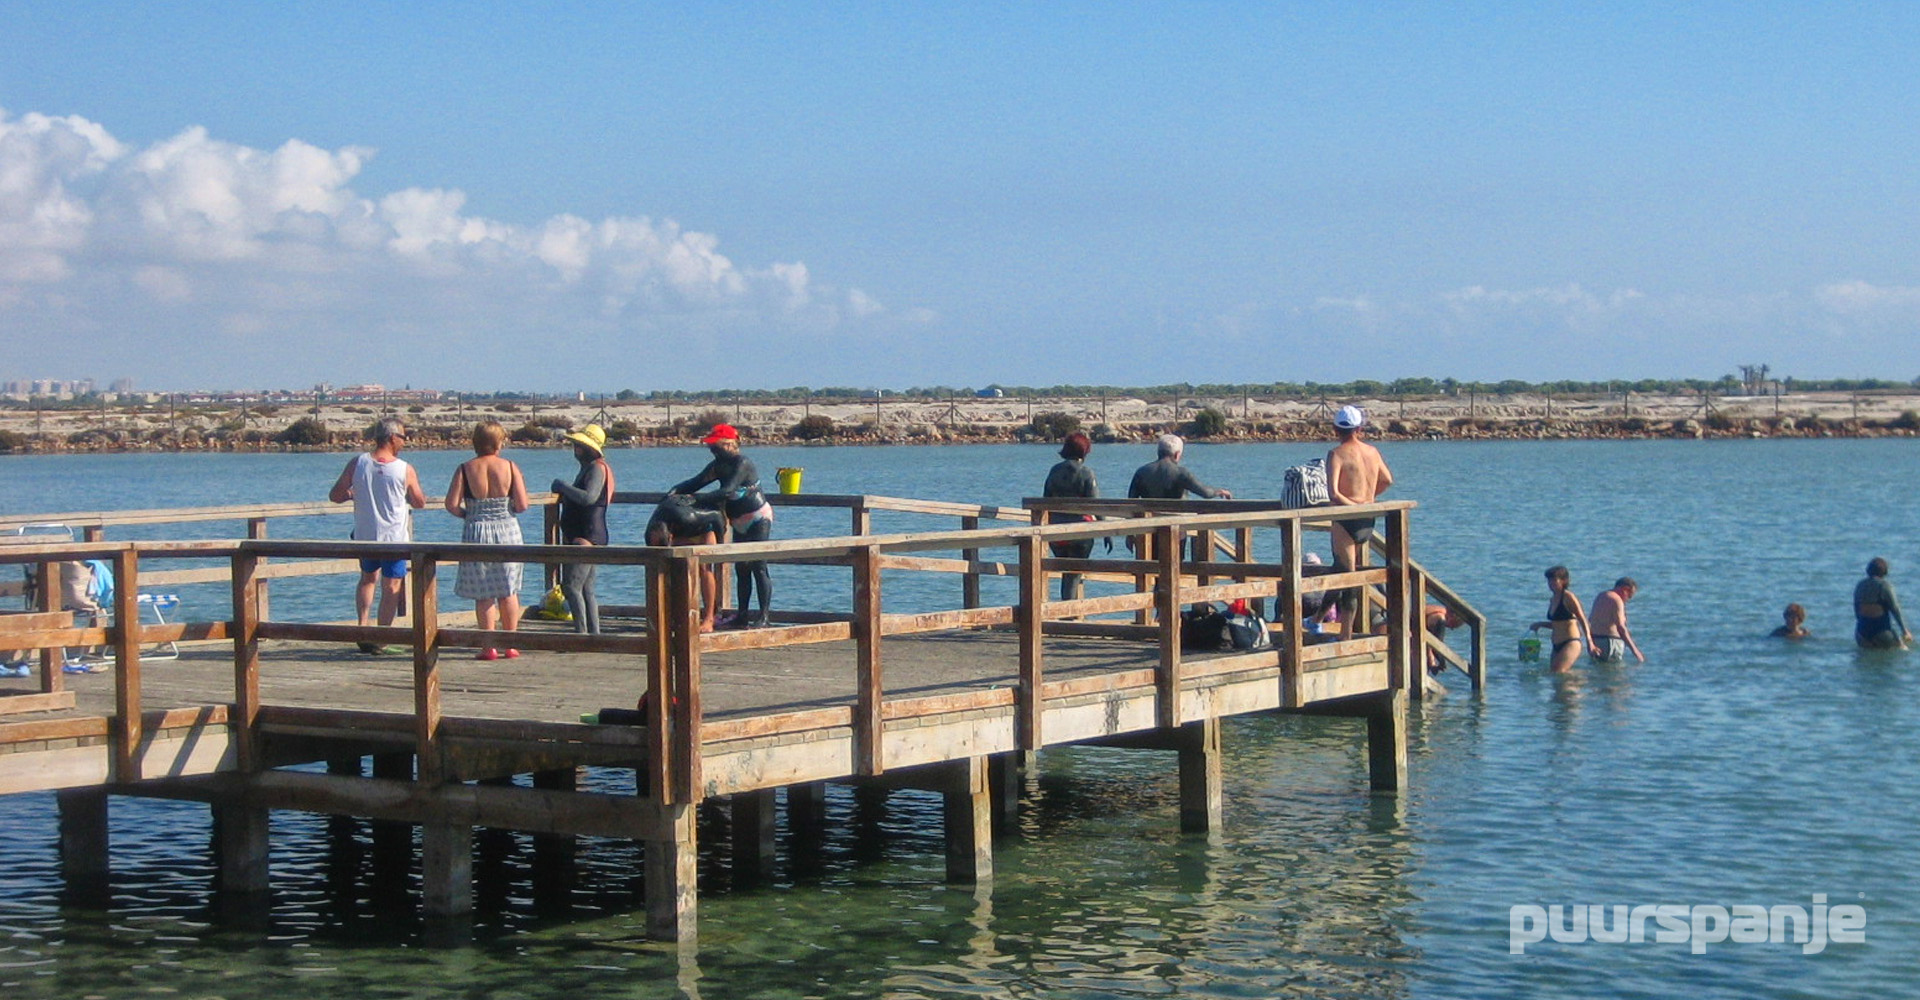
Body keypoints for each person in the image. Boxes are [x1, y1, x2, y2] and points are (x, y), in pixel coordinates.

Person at [329, 418, 426, 654]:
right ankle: (382, 636)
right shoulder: (404, 468)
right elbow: (419, 501)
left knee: (367, 579)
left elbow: (335, 495)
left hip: (365, 535)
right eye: (402, 437)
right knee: (391, 586)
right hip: (393, 537)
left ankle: (363, 628)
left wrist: (353, 494)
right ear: (392, 438)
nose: (404, 441)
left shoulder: (358, 463)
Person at [670, 424, 773, 628]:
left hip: (756, 517)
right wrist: (674, 493)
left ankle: (764, 616)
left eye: (716, 446)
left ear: (729, 444)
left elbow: (727, 491)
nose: (712, 450)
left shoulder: (742, 463)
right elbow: (696, 482)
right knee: (741, 568)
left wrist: (695, 499)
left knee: (758, 565)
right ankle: (742, 614)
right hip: (737, 520)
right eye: (711, 447)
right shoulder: (717, 465)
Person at [445, 421, 529, 661]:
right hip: (507, 529)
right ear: (498, 443)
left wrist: (470, 514)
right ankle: (510, 645)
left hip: (476, 529)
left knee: (484, 593)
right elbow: (522, 505)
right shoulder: (510, 467)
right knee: (508, 590)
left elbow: (451, 504)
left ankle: (488, 646)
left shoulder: (465, 468)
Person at [1325, 405, 1393, 639]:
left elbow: (1333, 493)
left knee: (1347, 576)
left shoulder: (1336, 454)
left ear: (1335, 429)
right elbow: (1387, 480)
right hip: (1368, 516)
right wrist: (1369, 499)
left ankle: (1345, 634)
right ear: (1360, 428)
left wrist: (1351, 505)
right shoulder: (1372, 452)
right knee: (1344, 571)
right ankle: (1317, 618)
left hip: (1346, 518)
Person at [551, 424, 613, 635]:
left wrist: (562, 485)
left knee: (571, 586)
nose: (574, 448)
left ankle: (582, 634)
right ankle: (593, 635)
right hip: (585, 533)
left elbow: (589, 498)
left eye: (578, 445)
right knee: (586, 588)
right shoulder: (589, 468)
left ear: (589, 448)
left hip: (587, 535)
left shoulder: (597, 468)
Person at [645, 494, 724, 632]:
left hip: (706, 524)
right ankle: (674, 615)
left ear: (670, 536)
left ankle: (709, 618)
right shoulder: (651, 530)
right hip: (678, 530)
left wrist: (721, 548)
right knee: (669, 568)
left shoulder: (686, 518)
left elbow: (716, 516)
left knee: (705, 568)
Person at [1043, 431, 1099, 601]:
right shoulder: (1086, 473)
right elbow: (1096, 504)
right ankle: (1070, 615)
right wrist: (1107, 532)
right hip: (1079, 532)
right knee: (1074, 574)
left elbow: (1045, 499)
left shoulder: (1054, 471)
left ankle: (1068, 612)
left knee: (1066, 573)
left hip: (1056, 531)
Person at [1127, 434, 1232, 501]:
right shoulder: (1181, 473)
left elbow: (1131, 500)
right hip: (1176, 530)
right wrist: (1220, 491)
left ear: (1158, 452)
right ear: (1177, 454)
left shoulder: (1141, 472)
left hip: (1148, 531)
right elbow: (1206, 493)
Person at [1529, 565, 1593, 672]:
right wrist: (1539, 624)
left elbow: (1582, 619)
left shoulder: (1568, 597)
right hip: (1556, 645)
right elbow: (1557, 624)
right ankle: (1578, 681)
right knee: (1556, 678)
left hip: (1571, 642)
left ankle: (1581, 680)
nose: (1551, 583)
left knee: (1559, 672)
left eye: (1554, 580)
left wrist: (1590, 642)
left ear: (1564, 581)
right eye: (1549, 580)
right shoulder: (1553, 599)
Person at [1853, 557, 1911, 650]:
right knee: (1904, 650)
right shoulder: (1884, 586)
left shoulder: (1860, 585)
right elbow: (1895, 609)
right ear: (1885, 571)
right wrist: (1905, 631)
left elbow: (1856, 609)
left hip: (1861, 633)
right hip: (1881, 632)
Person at [1587, 577, 1645, 663]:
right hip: (1610, 643)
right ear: (1625, 589)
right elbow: (1621, 628)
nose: (1628, 599)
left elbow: (1590, 620)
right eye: (1630, 596)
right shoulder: (1617, 600)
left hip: (1596, 641)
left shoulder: (1601, 596)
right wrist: (1635, 651)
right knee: (1616, 674)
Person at [1424, 604, 1466, 674]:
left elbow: (1429, 640)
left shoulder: (1433, 611)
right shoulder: (1440, 619)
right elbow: (1437, 646)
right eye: (1453, 625)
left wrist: (1432, 663)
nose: (1451, 628)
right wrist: (1442, 663)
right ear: (1452, 617)